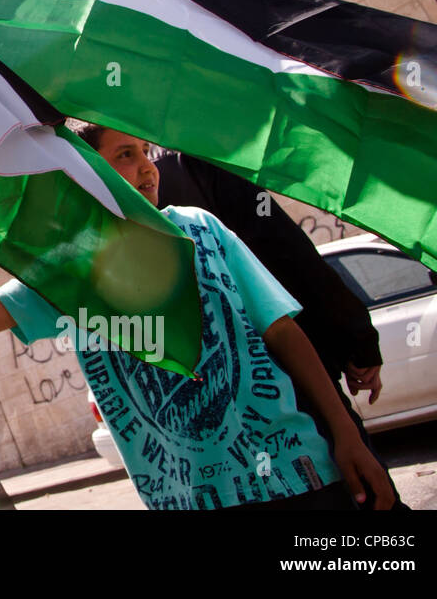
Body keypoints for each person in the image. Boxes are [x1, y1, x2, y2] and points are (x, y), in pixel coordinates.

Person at [0, 121, 395, 510]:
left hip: (297, 478)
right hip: (189, 499)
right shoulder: (67, 271)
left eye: (146, 152)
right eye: (125, 154)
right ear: (85, 172)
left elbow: (282, 331)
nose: (147, 167)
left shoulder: (200, 228)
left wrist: (346, 435)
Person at [153, 147, 404, 508]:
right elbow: (292, 257)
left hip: (211, 430)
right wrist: (357, 340)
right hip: (291, 390)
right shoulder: (198, 165)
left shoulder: (113, 202)